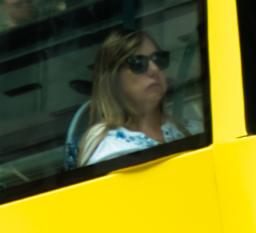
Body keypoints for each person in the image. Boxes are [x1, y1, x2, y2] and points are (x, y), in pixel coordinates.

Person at [73, 29, 185, 168]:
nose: (154, 69)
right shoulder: (107, 145)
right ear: (113, 78)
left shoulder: (190, 129)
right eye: (138, 63)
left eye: (158, 59)